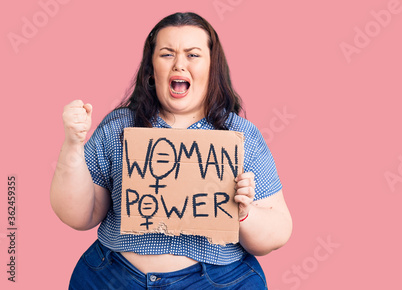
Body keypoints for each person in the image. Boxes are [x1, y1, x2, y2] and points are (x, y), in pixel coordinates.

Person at [50, 12, 292, 289]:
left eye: (193, 55)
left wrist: (245, 213)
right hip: (111, 278)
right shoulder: (118, 128)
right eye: (167, 54)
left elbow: (278, 232)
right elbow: (80, 216)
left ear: (212, 67)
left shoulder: (241, 136)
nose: (179, 64)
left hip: (217, 281)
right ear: (152, 69)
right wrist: (72, 144)